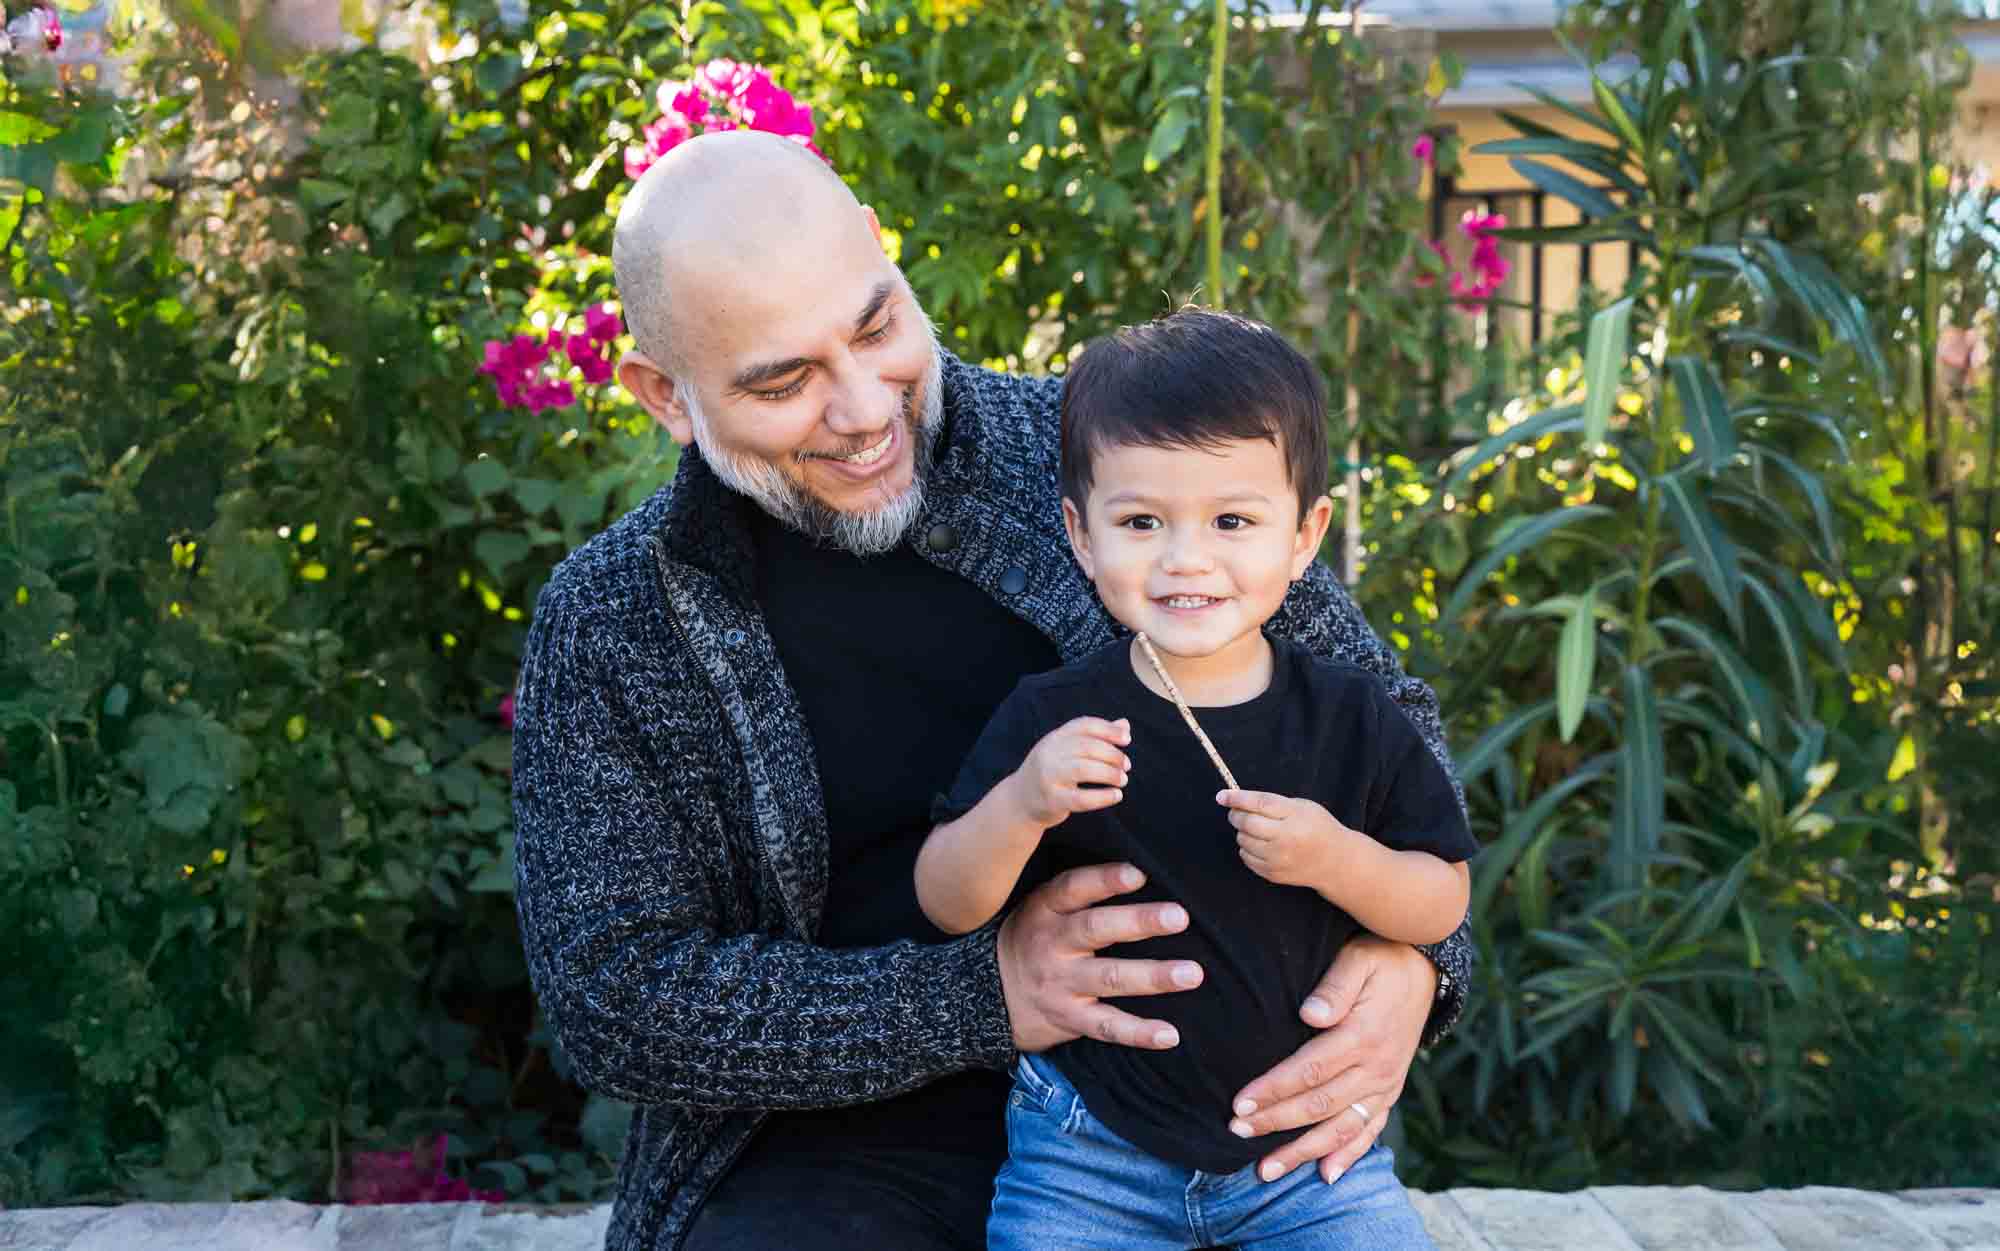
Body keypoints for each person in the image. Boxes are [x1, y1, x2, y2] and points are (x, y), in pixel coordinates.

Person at [510, 130, 1476, 1251]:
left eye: (876, 326)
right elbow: (614, 995)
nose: (864, 408)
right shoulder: (614, 617)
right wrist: (980, 998)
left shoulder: (1105, 461)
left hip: (1194, 1111)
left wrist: (1411, 962)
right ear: (664, 398)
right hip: (841, 1150)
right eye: (783, 380)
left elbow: (1380, 730)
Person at [915, 310, 1477, 1249]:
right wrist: (1022, 804)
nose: (1186, 558)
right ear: (1081, 535)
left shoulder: (1349, 716)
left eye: (1231, 520)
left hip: (1306, 1161)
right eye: (1141, 522)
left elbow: (1440, 901)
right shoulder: (1054, 719)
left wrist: (1336, 857)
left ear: (1305, 536)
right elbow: (946, 899)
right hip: (1086, 1153)